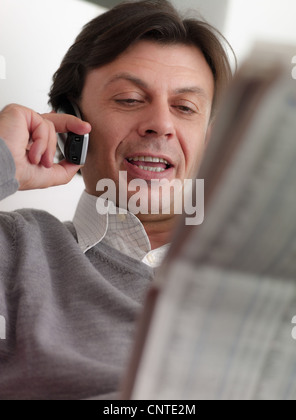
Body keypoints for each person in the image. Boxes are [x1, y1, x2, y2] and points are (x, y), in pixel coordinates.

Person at [0, 0, 233, 400]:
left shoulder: (261, 277)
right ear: (70, 123)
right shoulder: (17, 249)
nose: (161, 123)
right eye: (129, 99)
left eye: (185, 108)